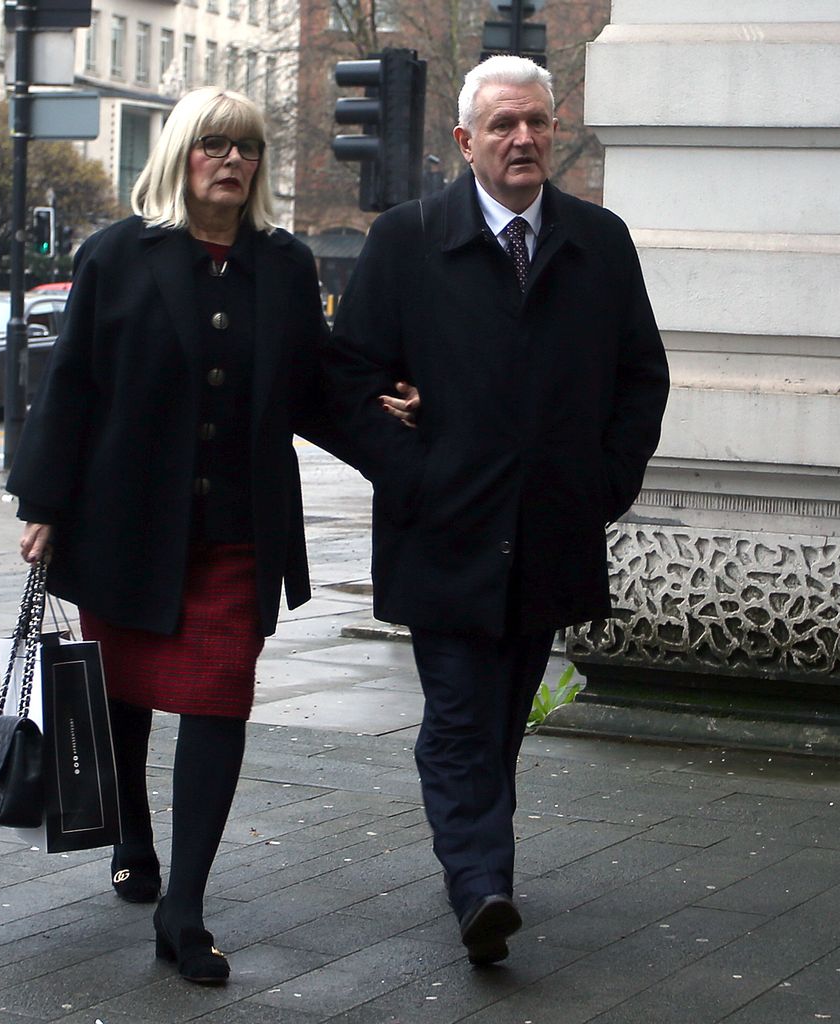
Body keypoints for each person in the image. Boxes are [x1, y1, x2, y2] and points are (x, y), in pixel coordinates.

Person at [326, 55, 670, 966]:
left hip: (551, 529)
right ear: (465, 140)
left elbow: (642, 376)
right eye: (504, 124)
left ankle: (482, 868)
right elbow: (345, 382)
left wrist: (603, 484)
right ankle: (481, 884)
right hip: (444, 531)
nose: (524, 139)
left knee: (502, 716)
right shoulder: (407, 239)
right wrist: (415, 473)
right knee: (458, 717)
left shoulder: (599, 241)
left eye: (538, 122)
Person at [6, 87, 348, 985]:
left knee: (219, 699)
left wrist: (399, 424)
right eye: (213, 144)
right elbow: (71, 384)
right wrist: (43, 501)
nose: (231, 160)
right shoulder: (117, 255)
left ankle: (183, 908)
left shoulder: (285, 264)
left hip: (238, 532)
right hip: (124, 522)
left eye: (247, 147)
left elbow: (318, 388)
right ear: (180, 153)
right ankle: (133, 833)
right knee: (125, 694)